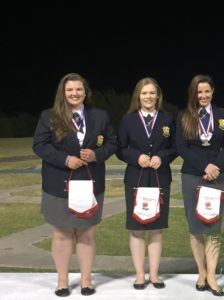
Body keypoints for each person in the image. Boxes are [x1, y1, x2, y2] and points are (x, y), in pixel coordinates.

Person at [32, 73, 118, 296]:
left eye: (78, 89)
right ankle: (62, 281)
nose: (74, 93)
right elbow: (39, 145)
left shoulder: (99, 116)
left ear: (85, 92)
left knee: (87, 232)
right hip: (59, 183)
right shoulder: (49, 116)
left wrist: (97, 154)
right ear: (63, 92)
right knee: (61, 233)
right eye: (70, 90)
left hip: (90, 182)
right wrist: (64, 159)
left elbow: (112, 142)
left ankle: (86, 281)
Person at [176, 74, 224, 297]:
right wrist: (204, 166)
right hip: (192, 175)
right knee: (196, 227)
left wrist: (215, 166)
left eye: (207, 91)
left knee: (213, 227)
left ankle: (212, 275)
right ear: (194, 93)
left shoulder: (223, 115)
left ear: (212, 92)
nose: (203, 95)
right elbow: (181, 147)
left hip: (217, 176)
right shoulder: (183, 116)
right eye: (199, 92)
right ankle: (201, 272)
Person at [116, 77, 176, 289]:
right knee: (137, 228)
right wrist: (135, 157)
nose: (148, 97)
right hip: (136, 178)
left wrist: (163, 156)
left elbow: (175, 147)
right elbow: (120, 148)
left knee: (156, 229)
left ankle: (154, 275)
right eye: (144, 93)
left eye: (152, 93)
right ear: (138, 96)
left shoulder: (168, 118)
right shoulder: (128, 120)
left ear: (158, 96)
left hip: (160, 178)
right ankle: (140, 274)